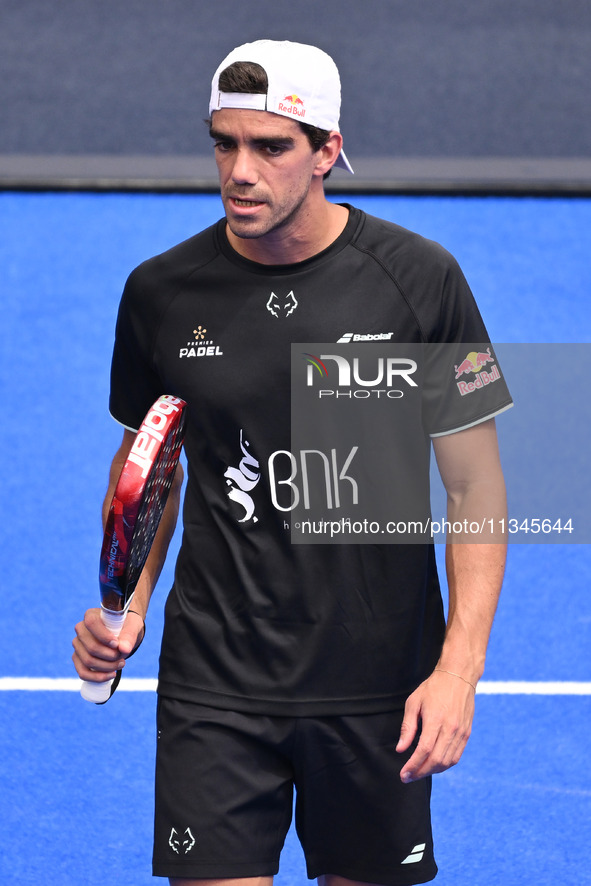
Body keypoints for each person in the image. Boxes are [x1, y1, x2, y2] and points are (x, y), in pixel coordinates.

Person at [72, 39, 512, 886]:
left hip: (378, 681)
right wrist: (126, 605)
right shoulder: (161, 293)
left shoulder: (420, 281)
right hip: (217, 679)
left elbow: (475, 485)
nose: (239, 170)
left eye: (270, 147)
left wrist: (457, 671)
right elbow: (150, 467)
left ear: (326, 152)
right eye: (223, 142)